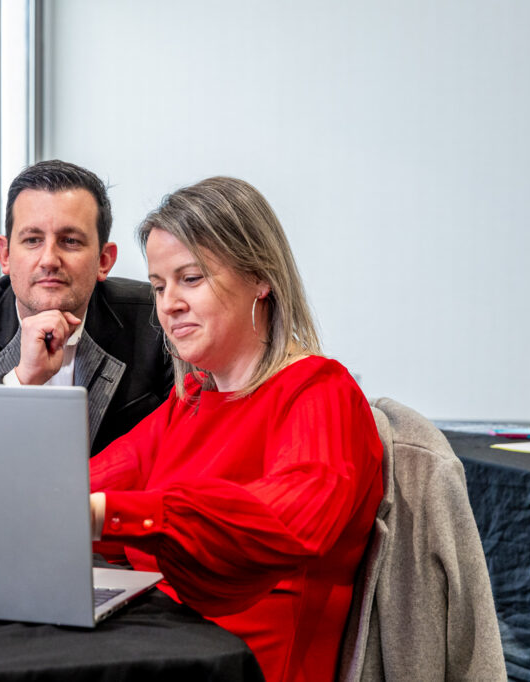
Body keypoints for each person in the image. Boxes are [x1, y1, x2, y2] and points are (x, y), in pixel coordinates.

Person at [87, 177, 384, 682]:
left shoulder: (319, 391)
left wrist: (116, 514)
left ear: (260, 278)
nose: (168, 304)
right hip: (164, 648)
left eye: (191, 279)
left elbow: (291, 520)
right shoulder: (192, 401)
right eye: (159, 286)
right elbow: (85, 487)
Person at [0, 160, 173, 455]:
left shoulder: (155, 316)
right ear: (5, 255)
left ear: (104, 260)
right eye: (32, 240)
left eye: (70, 241)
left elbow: (186, 448)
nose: (49, 259)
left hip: (115, 500)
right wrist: (22, 380)